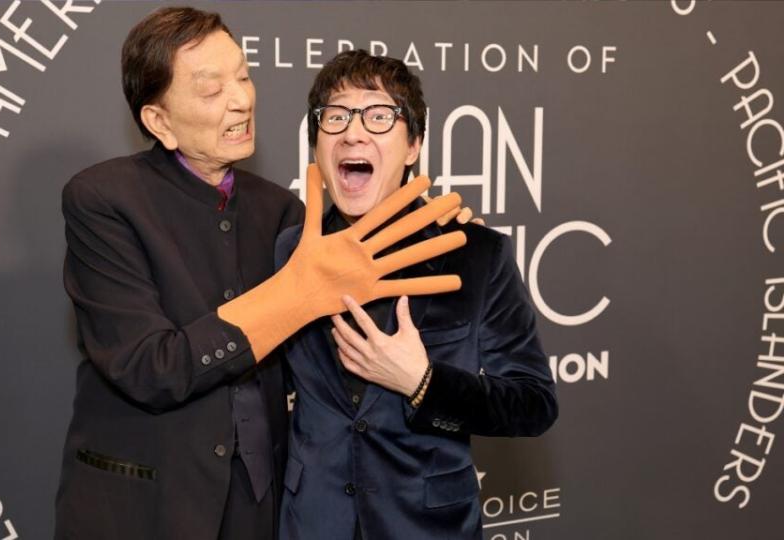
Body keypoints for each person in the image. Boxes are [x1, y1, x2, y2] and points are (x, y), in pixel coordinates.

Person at [54, 8, 466, 540]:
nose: (242, 99)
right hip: (145, 505)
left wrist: (432, 225)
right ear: (159, 121)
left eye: (244, 76)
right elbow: (150, 368)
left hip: (261, 506)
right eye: (211, 89)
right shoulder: (103, 200)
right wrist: (295, 295)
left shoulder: (284, 212)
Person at [276, 50, 559, 540]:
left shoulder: (475, 255)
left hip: (428, 526)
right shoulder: (290, 251)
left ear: (414, 146)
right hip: (312, 523)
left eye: (379, 116)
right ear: (317, 144)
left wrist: (422, 382)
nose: (353, 132)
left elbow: (534, 404)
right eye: (336, 116)